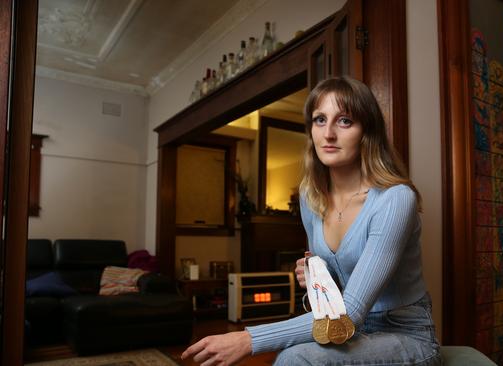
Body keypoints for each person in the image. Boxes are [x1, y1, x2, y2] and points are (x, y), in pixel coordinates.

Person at [181, 76, 441, 366]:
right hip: (348, 333)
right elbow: (331, 299)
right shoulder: (310, 196)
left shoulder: (395, 200)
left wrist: (248, 339)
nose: (328, 133)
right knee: (291, 357)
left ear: (367, 131)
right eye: (320, 119)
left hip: (404, 335)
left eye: (344, 121)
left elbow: (350, 311)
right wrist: (319, 278)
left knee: (295, 360)